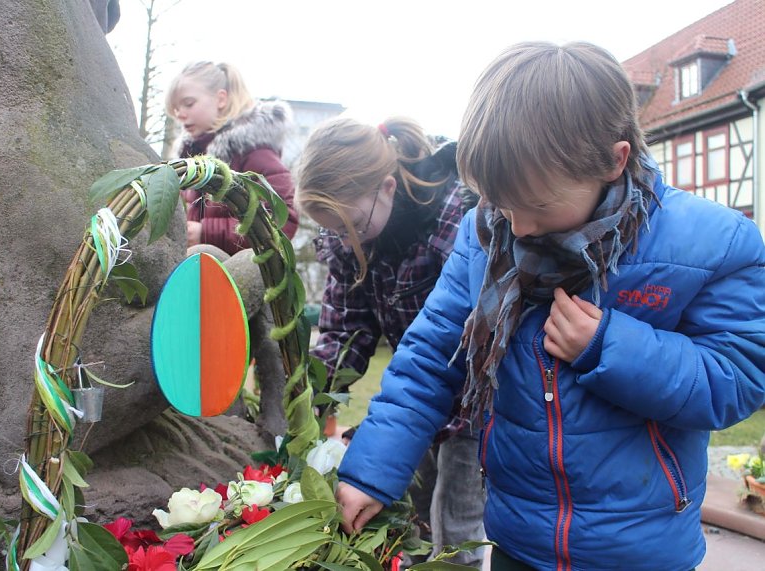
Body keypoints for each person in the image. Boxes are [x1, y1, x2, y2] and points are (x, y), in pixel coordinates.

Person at [335, 41, 765, 571]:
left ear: (614, 160)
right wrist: (370, 472)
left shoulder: (716, 243)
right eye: (501, 202)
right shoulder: (483, 237)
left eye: (536, 205)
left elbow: (737, 379)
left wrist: (609, 347)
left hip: (640, 549)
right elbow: (428, 359)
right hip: (518, 538)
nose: (516, 228)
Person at [296, 116, 485, 567]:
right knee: (409, 514)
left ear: (386, 187)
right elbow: (346, 330)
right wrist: (313, 395)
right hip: (414, 400)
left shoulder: (453, 220)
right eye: (334, 231)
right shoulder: (352, 240)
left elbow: (473, 333)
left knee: (456, 522)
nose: (344, 239)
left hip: (474, 402)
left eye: (350, 226)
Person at [166, 61, 298, 254]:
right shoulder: (192, 158)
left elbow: (282, 221)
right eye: (176, 109)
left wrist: (207, 232)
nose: (181, 115)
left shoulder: (254, 153)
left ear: (221, 99)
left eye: (188, 104)